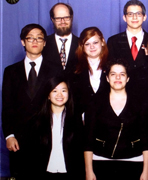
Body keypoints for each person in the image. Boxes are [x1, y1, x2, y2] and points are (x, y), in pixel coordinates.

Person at [2, 23, 60, 179]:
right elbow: (7, 106)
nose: (35, 41)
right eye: (30, 38)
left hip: (49, 137)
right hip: (19, 140)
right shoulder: (11, 71)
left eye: (39, 38)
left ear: (45, 42)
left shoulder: (56, 70)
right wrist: (9, 135)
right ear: (23, 41)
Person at [84, 59, 148, 180]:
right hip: (101, 162)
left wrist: (146, 170)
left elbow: (145, 139)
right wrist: (89, 170)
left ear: (128, 78)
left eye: (122, 74)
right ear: (107, 78)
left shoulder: (139, 103)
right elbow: (88, 140)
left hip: (133, 162)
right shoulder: (95, 103)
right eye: (113, 74)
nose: (118, 77)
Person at [30, 77, 84, 180]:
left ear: (69, 93)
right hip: (44, 172)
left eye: (63, 90)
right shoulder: (37, 120)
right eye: (54, 91)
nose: (59, 95)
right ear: (48, 96)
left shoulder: (76, 119)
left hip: (70, 172)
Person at [72, 27, 109, 115]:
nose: (92, 47)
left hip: (108, 121)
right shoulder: (74, 67)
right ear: (82, 46)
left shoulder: (111, 65)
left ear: (102, 42)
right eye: (87, 44)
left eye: (95, 42)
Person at [107, 0, 148, 70]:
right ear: (124, 18)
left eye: (138, 14)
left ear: (144, 17)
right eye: (130, 14)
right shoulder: (113, 41)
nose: (134, 17)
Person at [43, 2, 78, 75]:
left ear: (71, 18)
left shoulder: (82, 43)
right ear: (52, 19)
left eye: (66, 17)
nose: (63, 22)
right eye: (58, 18)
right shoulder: (43, 43)